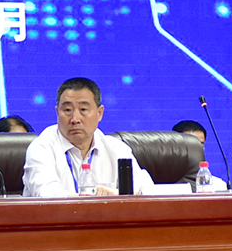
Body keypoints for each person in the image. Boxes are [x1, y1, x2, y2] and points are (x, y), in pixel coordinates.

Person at [23, 77, 153, 196]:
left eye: (83, 110)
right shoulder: (41, 148)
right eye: (67, 110)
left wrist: (115, 194)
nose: (75, 119)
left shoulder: (117, 149)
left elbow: (147, 190)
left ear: (99, 113)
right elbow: (46, 194)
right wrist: (91, 199)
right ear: (57, 112)